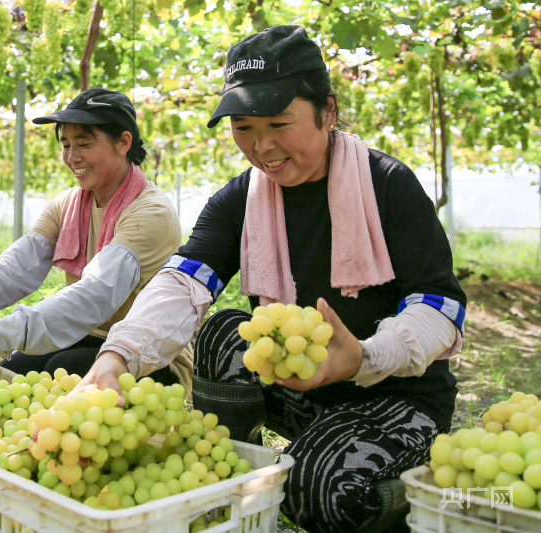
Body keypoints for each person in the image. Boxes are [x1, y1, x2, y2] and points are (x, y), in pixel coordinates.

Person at [73, 26, 466, 533]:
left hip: (395, 397)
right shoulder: (242, 199)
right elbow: (182, 282)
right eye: (243, 128)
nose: (263, 148)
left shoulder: (387, 185)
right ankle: (239, 468)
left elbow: (442, 311)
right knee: (220, 333)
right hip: (305, 391)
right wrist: (117, 355)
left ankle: (402, 494)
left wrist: (365, 357)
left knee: (312, 490)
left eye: (280, 124)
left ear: (327, 110)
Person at [0, 87, 190, 404]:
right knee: (15, 371)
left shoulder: (150, 212)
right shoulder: (68, 206)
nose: (72, 157)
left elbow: (95, 294)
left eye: (84, 144)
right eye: (67, 145)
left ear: (123, 143)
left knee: (63, 369)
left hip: (149, 354)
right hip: (87, 337)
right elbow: (16, 268)